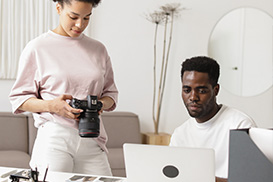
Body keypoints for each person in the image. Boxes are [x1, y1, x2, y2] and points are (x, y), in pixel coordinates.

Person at [9, 0, 118, 176]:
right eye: (73, 16)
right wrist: (53, 106)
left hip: (92, 137)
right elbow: (19, 99)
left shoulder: (98, 49)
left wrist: (99, 105)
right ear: (59, 8)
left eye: (86, 18)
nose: (80, 24)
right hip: (54, 138)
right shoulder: (37, 48)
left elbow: (111, 94)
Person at [169, 56, 256, 182]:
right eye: (187, 90)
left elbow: (251, 178)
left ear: (215, 90)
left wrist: (205, 179)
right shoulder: (180, 134)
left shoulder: (240, 125)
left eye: (202, 90)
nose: (193, 97)